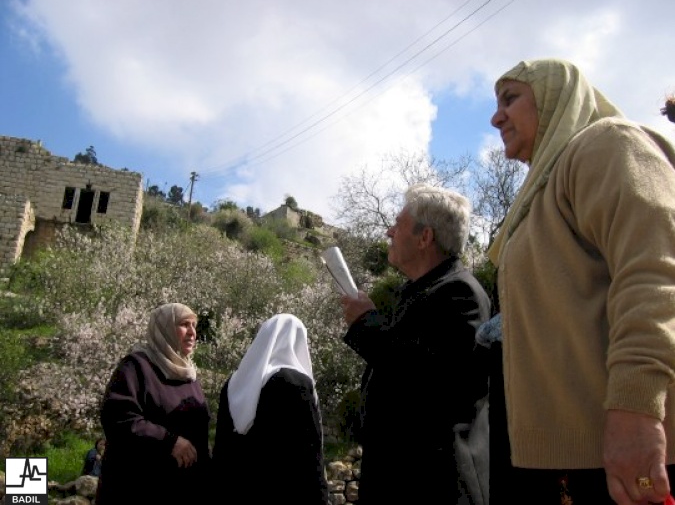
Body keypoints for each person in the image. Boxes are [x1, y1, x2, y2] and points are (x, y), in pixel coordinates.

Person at [487, 58, 675, 504]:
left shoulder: (607, 143)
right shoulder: (541, 193)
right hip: (576, 465)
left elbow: (656, 271)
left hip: (635, 455)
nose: (496, 117)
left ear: (557, 97)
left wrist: (635, 407)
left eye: (510, 99)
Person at [339, 183, 491, 504]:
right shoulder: (422, 292)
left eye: (398, 224)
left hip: (430, 485)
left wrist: (366, 323)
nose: (388, 232)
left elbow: (427, 378)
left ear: (425, 238)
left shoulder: (461, 294)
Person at [96, 302, 211, 505]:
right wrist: (169, 441)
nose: (192, 332)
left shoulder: (188, 374)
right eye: (184, 324)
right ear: (164, 328)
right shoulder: (136, 367)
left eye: (194, 325)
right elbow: (119, 418)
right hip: (140, 488)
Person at [212, 313, 329, 504]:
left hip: (237, 489)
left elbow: (222, 445)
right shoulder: (295, 383)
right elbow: (309, 453)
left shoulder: (234, 383)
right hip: (282, 491)